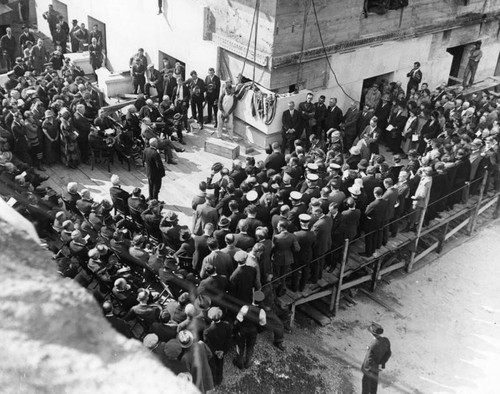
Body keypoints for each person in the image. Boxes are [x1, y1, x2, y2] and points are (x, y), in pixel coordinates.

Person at [233, 290, 266, 370]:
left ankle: (239, 363)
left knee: (240, 346)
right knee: (250, 347)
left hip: (243, 330)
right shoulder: (262, 312)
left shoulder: (245, 308)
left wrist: (236, 330)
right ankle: (247, 363)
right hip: (253, 332)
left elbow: (237, 321)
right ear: (261, 301)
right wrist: (257, 331)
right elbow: (263, 325)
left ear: (252, 298)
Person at [178, 330, 214, 394]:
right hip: (206, 371)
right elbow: (210, 355)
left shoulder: (185, 358)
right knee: (207, 386)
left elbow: (187, 373)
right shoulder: (201, 344)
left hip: (196, 379)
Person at [203, 307, 231, 386]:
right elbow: (228, 340)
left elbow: (207, 344)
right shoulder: (227, 326)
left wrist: (215, 351)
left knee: (212, 365)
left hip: (212, 352)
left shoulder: (207, 331)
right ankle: (219, 380)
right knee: (220, 365)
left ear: (210, 317)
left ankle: (213, 381)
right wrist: (223, 351)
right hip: (222, 350)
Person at [361, 323, 391, 394]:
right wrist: (382, 363)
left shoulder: (373, 345)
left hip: (369, 370)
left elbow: (369, 360)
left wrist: (366, 369)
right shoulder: (386, 341)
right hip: (376, 368)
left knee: (365, 389)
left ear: (372, 334)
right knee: (373, 388)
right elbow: (388, 353)